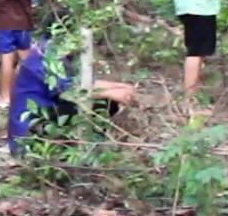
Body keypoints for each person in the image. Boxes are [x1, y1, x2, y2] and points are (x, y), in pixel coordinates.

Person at [7, 37, 137, 156]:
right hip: (31, 127)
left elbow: (83, 82)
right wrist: (111, 93)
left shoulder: (54, 51)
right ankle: (85, 148)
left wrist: (120, 87)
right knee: (103, 102)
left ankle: (86, 145)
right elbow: (67, 92)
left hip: (47, 109)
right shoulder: (46, 56)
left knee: (106, 101)